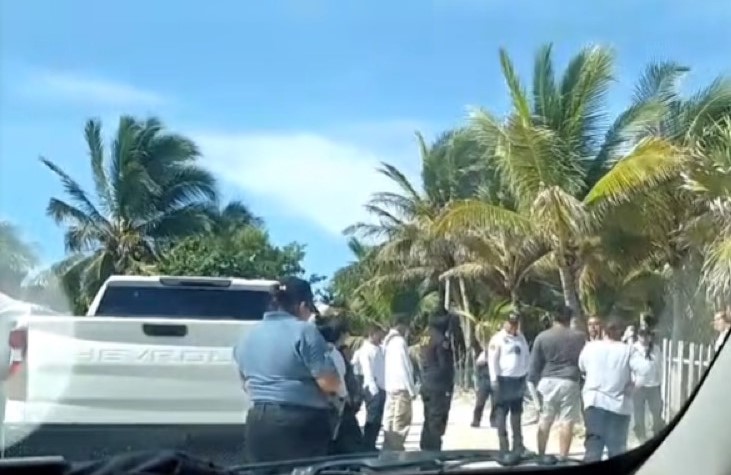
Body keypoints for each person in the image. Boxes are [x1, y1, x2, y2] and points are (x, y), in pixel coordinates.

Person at [233, 277, 341, 463]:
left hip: (258, 421)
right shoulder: (305, 331)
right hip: (300, 422)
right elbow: (329, 383)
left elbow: (246, 383)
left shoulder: (248, 335)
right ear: (302, 305)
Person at [579, 318, 640, 462]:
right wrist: (633, 388)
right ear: (622, 333)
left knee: (593, 447)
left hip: (594, 403)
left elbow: (582, 367)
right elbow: (642, 373)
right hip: (619, 406)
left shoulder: (590, 347)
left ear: (604, 331)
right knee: (617, 450)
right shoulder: (628, 350)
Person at [528, 306, 586, 459]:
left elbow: (534, 366)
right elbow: (584, 362)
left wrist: (533, 383)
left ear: (553, 318)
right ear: (570, 319)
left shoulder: (542, 337)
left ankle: (541, 454)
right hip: (569, 381)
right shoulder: (579, 337)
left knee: (545, 419)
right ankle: (563, 456)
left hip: (547, 381)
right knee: (566, 421)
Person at [318, 318, 365, 455]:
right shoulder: (333, 353)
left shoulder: (323, 353)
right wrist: (346, 396)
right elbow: (339, 378)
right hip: (338, 402)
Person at [487, 312, 531, 455]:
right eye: (510, 323)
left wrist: (526, 374)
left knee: (516, 414)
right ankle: (504, 446)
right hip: (503, 380)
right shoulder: (498, 339)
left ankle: (518, 445)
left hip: (518, 379)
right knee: (502, 413)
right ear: (505, 323)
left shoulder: (521, 337)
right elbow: (492, 361)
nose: (513, 326)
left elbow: (526, 356)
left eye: (515, 323)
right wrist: (494, 379)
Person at [419, 312, 455, 451]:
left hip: (426, 382)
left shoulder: (425, 336)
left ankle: (425, 448)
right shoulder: (441, 340)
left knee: (428, 419)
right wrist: (449, 385)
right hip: (439, 386)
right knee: (436, 421)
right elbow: (445, 366)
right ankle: (433, 452)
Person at [382, 314, 417, 451]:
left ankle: (388, 448)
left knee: (390, 421)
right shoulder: (399, 342)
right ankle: (396, 450)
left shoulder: (387, 341)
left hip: (391, 386)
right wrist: (411, 389)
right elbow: (404, 367)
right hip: (402, 386)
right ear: (401, 325)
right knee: (401, 421)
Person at [630, 327, 664, 443]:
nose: (644, 338)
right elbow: (630, 366)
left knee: (656, 410)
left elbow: (659, 365)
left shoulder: (656, 349)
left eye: (646, 335)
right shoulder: (633, 348)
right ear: (638, 336)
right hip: (639, 385)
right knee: (639, 411)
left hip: (654, 384)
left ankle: (657, 432)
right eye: (641, 335)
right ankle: (641, 435)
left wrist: (659, 380)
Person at [357, 325, 386, 452]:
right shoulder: (365, 350)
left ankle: (372, 444)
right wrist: (374, 390)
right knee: (372, 418)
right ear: (372, 334)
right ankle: (367, 446)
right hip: (372, 388)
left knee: (378, 419)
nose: (381, 337)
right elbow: (367, 370)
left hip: (381, 387)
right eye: (379, 335)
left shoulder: (379, 348)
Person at [471, 343, 491, 428]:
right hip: (484, 379)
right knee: (480, 401)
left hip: (495, 378)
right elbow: (478, 365)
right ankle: (476, 420)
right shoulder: (484, 354)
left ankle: (494, 420)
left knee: (496, 402)